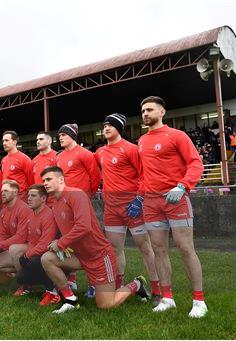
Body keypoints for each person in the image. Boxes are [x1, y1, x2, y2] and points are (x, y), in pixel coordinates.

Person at [40, 167, 150, 314]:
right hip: (79, 256)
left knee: (106, 305)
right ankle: (70, 300)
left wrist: (60, 243)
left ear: (61, 179)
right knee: (47, 258)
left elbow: (84, 227)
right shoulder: (55, 204)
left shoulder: (76, 195)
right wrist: (58, 244)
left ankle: (137, 284)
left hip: (99, 256)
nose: (45, 183)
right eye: (43, 180)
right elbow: (68, 230)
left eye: (48, 179)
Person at [138, 96, 207, 318]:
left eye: (149, 109)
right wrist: (141, 195)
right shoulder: (141, 140)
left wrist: (183, 186)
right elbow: (143, 173)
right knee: (158, 249)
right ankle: (167, 298)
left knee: (185, 248)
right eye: (142, 111)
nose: (145, 113)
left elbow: (196, 163)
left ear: (162, 112)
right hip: (151, 201)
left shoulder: (177, 135)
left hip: (174, 199)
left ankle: (199, 301)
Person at [95, 113, 160, 305]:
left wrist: (139, 199)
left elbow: (145, 175)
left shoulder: (130, 149)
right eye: (104, 125)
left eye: (111, 125)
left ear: (119, 128)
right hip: (112, 208)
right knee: (115, 249)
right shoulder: (100, 152)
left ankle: (157, 290)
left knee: (145, 247)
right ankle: (119, 286)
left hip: (133, 205)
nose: (106, 128)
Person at [55, 123, 101, 290]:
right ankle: (72, 280)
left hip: (80, 204)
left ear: (72, 135)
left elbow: (95, 177)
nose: (60, 137)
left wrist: (86, 197)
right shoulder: (59, 156)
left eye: (64, 134)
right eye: (59, 135)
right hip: (65, 205)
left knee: (88, 243)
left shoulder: (85, 154)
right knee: (69, 242)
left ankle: (93, 282)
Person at [0, 180, 32, 295]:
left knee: (14, 249)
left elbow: (21, 237)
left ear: (15, 193)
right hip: (17, 247)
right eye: (2, 191)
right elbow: (2, 234)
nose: (2, 194)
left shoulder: (23, 208)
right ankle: (25, 273)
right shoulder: (4, 211)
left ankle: (25, 285)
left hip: (29, 245)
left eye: (6, 191)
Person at [15, 184, 60, 306]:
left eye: (33, 196)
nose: (29, 198)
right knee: (20, 277)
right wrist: (26, 255)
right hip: (39, 255)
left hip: (55, 257)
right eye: (28, 195)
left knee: (34, 262)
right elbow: (32, 241)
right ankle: (35, 287)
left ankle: (53, 292)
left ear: (43, 199)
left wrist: (27, 255)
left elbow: (45, 244)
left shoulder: (48, 215)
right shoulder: (31, 214)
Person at [1, 130, 34, 199]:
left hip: (21, 197)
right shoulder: (3, 160)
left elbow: (31, 181)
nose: (4, 143)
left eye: (7, 140)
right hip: (7, 197)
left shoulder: (24, 159)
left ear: (14, 142)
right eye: (3, 141)